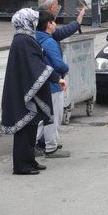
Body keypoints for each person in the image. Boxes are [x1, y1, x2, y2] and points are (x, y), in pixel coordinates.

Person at [3, 8, 55, 175]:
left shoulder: (23, 38)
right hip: (22, 91)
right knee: (24, 130)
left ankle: (29, 160)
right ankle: (22, 166)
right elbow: (35, 65)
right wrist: (55, 77)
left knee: (31, 128)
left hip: (23, 88)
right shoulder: (24, 40)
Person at [34, 11, 71, 159]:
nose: (55, 24)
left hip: (42, 83)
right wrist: (66, 68)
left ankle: (45, 143)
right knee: (52, 117)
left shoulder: (37, 38)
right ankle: (50, 146)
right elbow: (57, 64)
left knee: (44, 116)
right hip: (53, 85)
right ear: (48, 24)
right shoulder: (49, 42)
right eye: (54, 22)